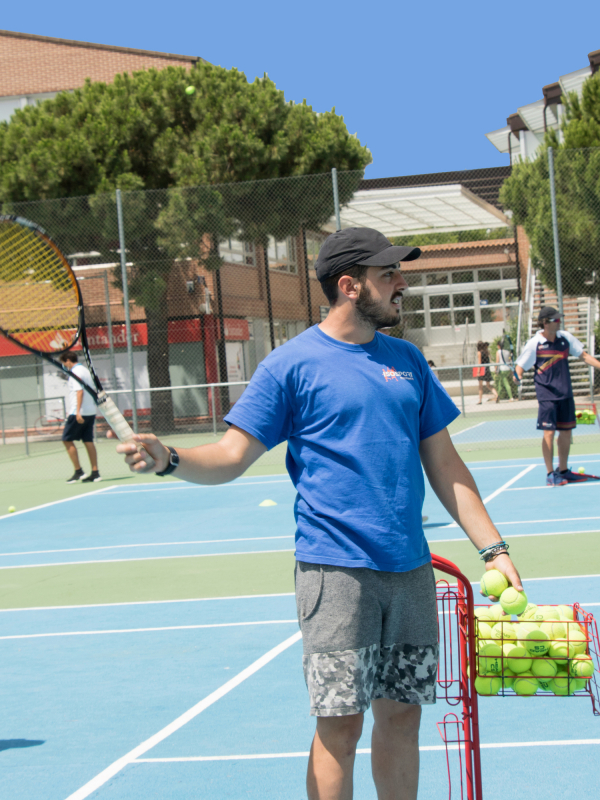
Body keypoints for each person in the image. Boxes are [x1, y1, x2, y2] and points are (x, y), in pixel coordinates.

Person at [115, 226, 522, 800]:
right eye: (389, 276)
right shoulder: (291, 365)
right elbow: (231, 456)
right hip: (335, 577)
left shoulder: (407, 362)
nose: (401, 283)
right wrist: (170, 458)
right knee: (339, 726)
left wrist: (495, 550)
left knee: (403, 718)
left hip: (409, 574)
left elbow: (447, 466)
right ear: (351, 286)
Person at [515, 306, 600, 486]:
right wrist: (518, 375)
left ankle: (563, 470)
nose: (559, 321)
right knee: (549, 432)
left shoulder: (566, 338)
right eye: (555, 319)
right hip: (547, 395)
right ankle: (550, 473)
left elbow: (583, 355)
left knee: (566, 432)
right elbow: (520, 366)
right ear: (545, 323)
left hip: (565, 393)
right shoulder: (534, 344)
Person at [60, 352, 101, 483]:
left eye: (64, 363)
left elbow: (80, 391)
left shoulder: (75, 372)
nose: (64, 366)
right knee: (88, 440)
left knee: (66, 439)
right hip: (90, 411)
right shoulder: (85, 370)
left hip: (79, 412)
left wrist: (77, 412)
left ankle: (79, 472)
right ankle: (95, 473)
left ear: (67, 360)